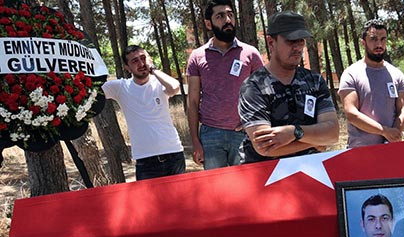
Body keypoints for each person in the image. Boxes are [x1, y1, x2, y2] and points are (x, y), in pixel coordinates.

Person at [237, 11, 339, 163]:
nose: (298, 47)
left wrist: (294, 132)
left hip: (311, 169)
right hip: (267, 172)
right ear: (271, 42)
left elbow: (333, 133)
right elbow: (264, 147)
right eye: (291, 41)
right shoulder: (253, 86)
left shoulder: (314, 81)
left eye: (301, 41)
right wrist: (315, 141)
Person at [187, 0, 263, 170]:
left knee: (246, 183)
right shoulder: (197, 57)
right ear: (209, 24)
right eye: (220, 16)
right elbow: (192, 102)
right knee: (216, 186)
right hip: (210, 135)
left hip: (244, 133)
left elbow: (264, 92)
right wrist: (195, 141)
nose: (227, 20)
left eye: (230, 15)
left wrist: (252, 122)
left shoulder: (250, 53)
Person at [102, 45, 185, 181]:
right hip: (145, 161)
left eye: (143, 58)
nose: (141, 64)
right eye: (135, 61)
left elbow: (174, 87)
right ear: (127, 68)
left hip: (173, 154)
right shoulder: (121, 87)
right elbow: (93, 91)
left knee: (179, 196)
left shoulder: (159, 82)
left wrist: (153, 69)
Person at [338, 19, 404, 147]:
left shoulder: (397, 75)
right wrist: (384, 131)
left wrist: (394, 134)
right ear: (363, 43)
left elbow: (403, 110)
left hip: (391, 149)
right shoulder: (351, 74)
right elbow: (351, 114)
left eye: (383, 39)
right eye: (373, 39)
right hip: (360, 151)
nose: (379, 44)